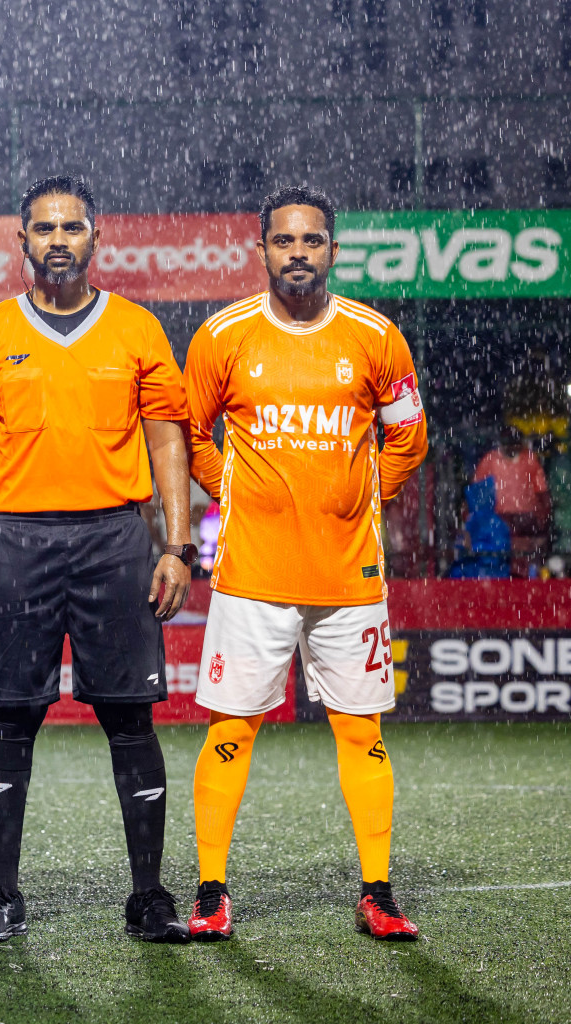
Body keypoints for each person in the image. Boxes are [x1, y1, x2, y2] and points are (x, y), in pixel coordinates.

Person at [0, 175, 194, 944]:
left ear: (96, 236)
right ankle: (2, 895)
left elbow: (166, 445)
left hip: (115, 539)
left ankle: (148, 896)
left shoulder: (138, 329)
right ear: (21, 242)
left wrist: (177, 546)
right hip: (14, 541)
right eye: (44, 229)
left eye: (72, 227)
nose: (58, 240)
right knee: (10, 721)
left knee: (130, 718)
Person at [184, 185, 429, 942]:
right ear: (261, 251)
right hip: (252, 575)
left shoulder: (376, 337)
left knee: (364, 733)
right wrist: (233, 491)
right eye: (284, 242)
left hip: (348, 576)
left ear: (332, 249)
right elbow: (189, 436)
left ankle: (379, 892)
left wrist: (365, 500)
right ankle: (211, 891)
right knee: (234, 729)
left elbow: (408, 438)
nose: (298, 254)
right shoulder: (222, 337)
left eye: (312, 241)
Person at [473, 426, 551, 575]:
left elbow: (542, 493)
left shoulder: (530, 459)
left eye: (515, 442)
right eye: (509, 442)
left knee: (525, 559)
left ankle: (525, 578)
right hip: (498, 522)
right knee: (502, 558)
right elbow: (477, 493)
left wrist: (543, 520)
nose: (512, 446)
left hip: (526, 519)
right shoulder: (490, 460)